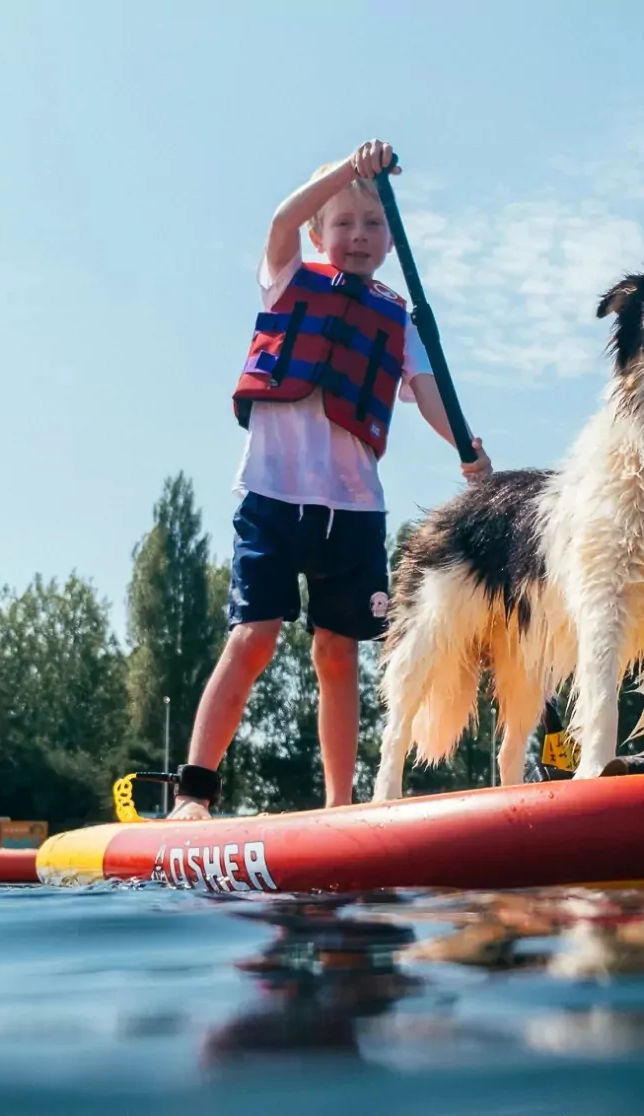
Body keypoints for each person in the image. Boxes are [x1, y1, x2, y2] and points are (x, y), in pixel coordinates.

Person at [171, 138, 491, 820]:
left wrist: (464, 446)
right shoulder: (288, 273)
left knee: (338, 652)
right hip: (273, 496)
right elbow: (282, 222)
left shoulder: (396, 316)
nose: (358, 236)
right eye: (343, 223)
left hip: (352, 510)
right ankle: (194, 794)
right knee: (253, 638)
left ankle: (341, 804)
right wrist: (350, 169)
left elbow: (425, 389)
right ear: (320, 232)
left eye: (373, 225)